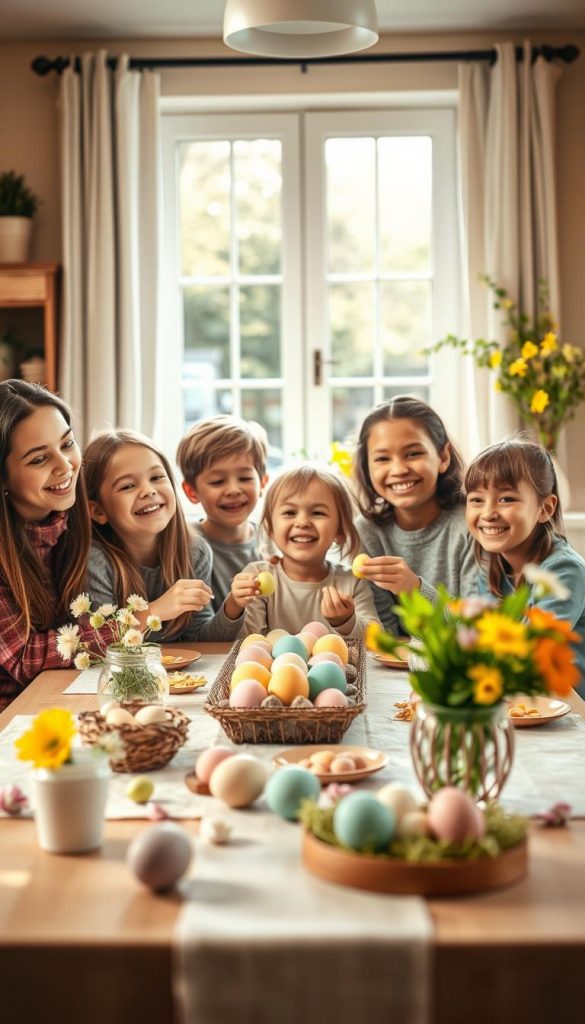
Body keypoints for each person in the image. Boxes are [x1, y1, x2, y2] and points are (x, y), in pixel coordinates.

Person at [0, 381, 114, 710]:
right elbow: (25, 658)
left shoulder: (72, 521)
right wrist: (141, 619)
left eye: (67, 444)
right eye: (38, 460)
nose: (65, 466)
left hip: (60, 699)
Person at [84, 430, 243, 642]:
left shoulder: (195, 552)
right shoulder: (95, 562)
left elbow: (199, 637)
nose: (148, 490)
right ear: (97, 511)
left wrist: (234, 605)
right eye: (128, 486)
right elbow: (97, 640)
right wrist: (155, 611)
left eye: (157, 477)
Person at [465, 437, 585, 696]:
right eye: (476, 499)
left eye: (506, 499)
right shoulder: (491, 566)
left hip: (568, 711)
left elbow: (530, 654)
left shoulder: (564, 570)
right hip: (520, 698)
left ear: (546, 508)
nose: (488, 513)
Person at [353, 396, 477, 634]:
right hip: (396, 668)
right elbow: (383, 636)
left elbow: (476, 631)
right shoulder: (367, 533)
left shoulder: (471, 525)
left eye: (412, 454)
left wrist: (415, 591)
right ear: (367, 467)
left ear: (443, 457)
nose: (399, 469)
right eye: (382, 458)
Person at [224, 465, 379, 636]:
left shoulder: (351, 581)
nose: (303, 522)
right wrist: (235, 605)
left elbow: (378, 640)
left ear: (340, 531)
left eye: (318, 513)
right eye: (290, 512)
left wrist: (346, 622)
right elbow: (247, 643)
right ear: (271, 529)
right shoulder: (257, 576)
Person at [176, 415, 270, 610]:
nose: (233, 490)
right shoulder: (188, 547)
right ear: (192, 492)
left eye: (244, 478)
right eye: (217, 481)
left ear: (262, 482)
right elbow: (199, 635)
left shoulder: (274, 541)